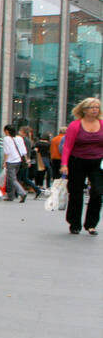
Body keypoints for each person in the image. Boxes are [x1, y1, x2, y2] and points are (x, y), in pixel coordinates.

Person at [60, 96, 103, 235]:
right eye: (92, 107)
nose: (95, 110)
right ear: (84, 110)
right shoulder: (75, 125)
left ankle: (91, 224)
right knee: (76, 193)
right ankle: (74, 223)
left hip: (97, 162)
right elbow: (67, 146)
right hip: (77, 161)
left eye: (97, 107)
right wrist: (64, 164)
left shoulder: (102, 124)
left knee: (98, 192)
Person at [1, 125, 28, 202]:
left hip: (11, 161)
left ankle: (22, 193)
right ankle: (10, 196)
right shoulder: (19, 138)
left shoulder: (6, 139)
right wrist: (26, 160)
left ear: (7, 131)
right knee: (10, 179)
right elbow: (23, 151)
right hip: (18, 161)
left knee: (12, 179)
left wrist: (4, 162)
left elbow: (6, 152)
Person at [17, 126, 41, 197]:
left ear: (23, 132)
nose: (19, 132)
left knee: (19, 178)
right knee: (24, 178)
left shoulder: (25, 140)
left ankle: (18, 192)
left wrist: (27, 159)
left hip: (24, 161)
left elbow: (26, 151)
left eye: (20, 131)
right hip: (26, 160)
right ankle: (37, 189)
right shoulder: (27, 140)